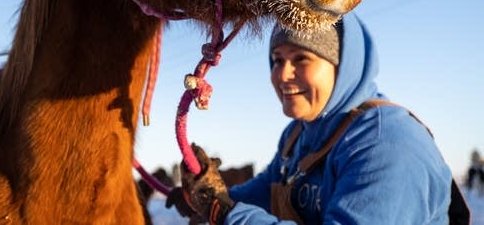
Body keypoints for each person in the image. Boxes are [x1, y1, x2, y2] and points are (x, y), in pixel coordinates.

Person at [166, 12, 466, 224]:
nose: (282, 74)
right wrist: (207, 198)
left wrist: (227, 213)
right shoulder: (297, 134)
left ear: (341, 65)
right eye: (277, 60)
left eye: (301, 59)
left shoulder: (387, 144)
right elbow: (266, 192)